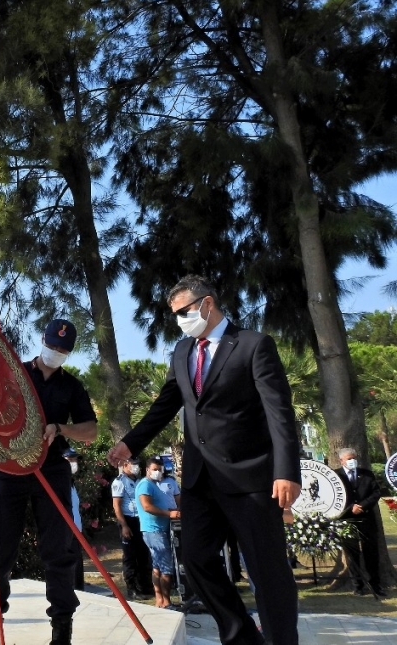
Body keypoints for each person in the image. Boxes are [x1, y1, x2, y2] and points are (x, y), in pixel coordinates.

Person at [108, 275, 301, 645]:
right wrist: (130, 444)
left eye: (184, 311)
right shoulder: (182, 351)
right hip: (200, 482)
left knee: (268, 573)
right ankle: (242, 636)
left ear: (207, 304)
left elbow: (279, 413)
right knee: (195, 561)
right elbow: (165, 405)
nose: (180, 319)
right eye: (175, 314)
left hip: (252, 482)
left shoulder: (253, 345)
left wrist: (286, 471)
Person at [0, 319, 97, 645]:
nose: (55, 352)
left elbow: (91, 430)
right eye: (52, 345)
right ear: (41, 341)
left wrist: (60, 429)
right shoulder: (14, 374)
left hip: (51, 469)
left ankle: (62, 633)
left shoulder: (71, 386)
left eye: (63, 350)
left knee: (59, 553)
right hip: (8, 469)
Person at [334, 448, 385, 597]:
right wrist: (351, 508)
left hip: (367, 519)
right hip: (347, 520)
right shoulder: (336, 476)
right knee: (352, 554)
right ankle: (358, 586)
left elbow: (376, 492)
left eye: (354, 458)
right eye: (349, 458)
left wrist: (363, 505)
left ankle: (375, 585)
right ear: (341, 460)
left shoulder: (367, 474)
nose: (352, 461)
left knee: (371, 553)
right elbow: (334, 496)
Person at [136, 457, 181, 609]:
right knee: (166, 568)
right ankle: (167, 602)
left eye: (159, 469)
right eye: (154, 469)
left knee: (157, 567)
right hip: (154, 530)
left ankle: (160, 601)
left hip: (159, 529)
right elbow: (147, 507)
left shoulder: (153, 485)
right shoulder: (145, 485)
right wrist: (169, 514)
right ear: (147, 469)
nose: (157, 472)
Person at [111, 457, 154, 600]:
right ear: (125, 465)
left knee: (143, 553)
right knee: (130, 556)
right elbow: (117, 506)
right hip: (128, 520)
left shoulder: (139, 480)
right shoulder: (119, 482)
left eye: (137, 464)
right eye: (133, 464)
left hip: (141, 519)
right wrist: (124, 525)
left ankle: (145, 586)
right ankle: (132, 588)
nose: (136, 467)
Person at [63, 447, 85, 590]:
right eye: (70, 460)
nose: (74, 463)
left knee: (77, 572)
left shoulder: (71, 483)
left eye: (75, 460)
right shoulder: (58, 483)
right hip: (65, 533)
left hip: (76, 534)